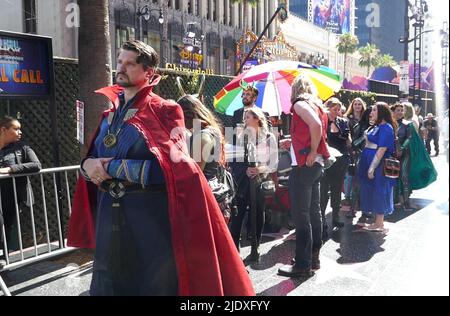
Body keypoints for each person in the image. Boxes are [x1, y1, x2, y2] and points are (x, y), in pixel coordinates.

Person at [67, 40, 254, 296]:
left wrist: (114, 167)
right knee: (107, 285)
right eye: (119, 61)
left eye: (129, 63)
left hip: (148, 219)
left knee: (151, 287)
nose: (121, 67)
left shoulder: (166, 110)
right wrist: (87, 164)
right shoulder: (108, 115)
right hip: (109, 216)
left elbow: (172, 170)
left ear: (148, 72)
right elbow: (91, 164)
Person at [278, 74, 330, 278]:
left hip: (304, 165)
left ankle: (302, 264)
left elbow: (315, 125)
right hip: (315, 166)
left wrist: (311, 151)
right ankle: (312, 258)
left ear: (295, 89)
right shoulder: (317, 104)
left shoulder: (299, 103)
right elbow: (313, 128)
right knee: (313, 212)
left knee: (302, 216)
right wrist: (295, 142)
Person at [229, 107, 278, 263]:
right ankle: (234, 252)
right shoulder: (239, 136)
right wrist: (246, 170)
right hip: (241, 182)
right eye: (244, 117)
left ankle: (255, 249)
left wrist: (258, 169)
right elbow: (232, 160)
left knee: (257, 214)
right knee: (237, 216)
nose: (245, 120)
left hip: (259, 182)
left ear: (257, 118)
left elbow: (273, 163)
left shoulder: (269, 137)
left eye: (248, 117)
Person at [177, 95, 231, 222]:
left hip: (205, 197)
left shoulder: (203, 136)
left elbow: (194, 173)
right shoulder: (209, 131)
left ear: (188, 115)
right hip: (213, 193)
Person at [0, 116, 41, 268]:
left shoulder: (22, 147)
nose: (20, 132)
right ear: (3, 129)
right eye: (16, 129)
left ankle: (3, 256)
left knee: (6, 224)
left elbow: (36, 165)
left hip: (11, 195)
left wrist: (9, 169)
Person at [357, 102, 397, 232]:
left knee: (380, 189)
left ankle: (379, 223)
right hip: (369, 159)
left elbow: (382, 149)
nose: (371, 112)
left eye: (374, 110)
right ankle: (377, 221)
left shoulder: (386, 127)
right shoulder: (378, 126)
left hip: (377, 162)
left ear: (381, 112)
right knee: (373, 189)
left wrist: (372, 167)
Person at [320, 98, 351, 237]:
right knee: (324, 189)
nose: (337, 112)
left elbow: (348, 141)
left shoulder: (343, 122)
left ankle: (336, 217)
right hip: (326, 160)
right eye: (334, 109)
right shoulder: (322, 122)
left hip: (340, 160)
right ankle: (321, 220)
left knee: (337, 189)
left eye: (339, 109)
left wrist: (345, 133)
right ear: (328, 109)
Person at [343, 98, 367, 209]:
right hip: (350, 148)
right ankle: (347, 197)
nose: (357, 106)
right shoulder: (347, 118)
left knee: (360, 175)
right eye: (355, 104)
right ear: (352, 106)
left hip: (363, 149)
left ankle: (357, 199)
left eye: (359, 104)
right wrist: (351, 146)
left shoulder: (366, 118)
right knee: (350, 174)